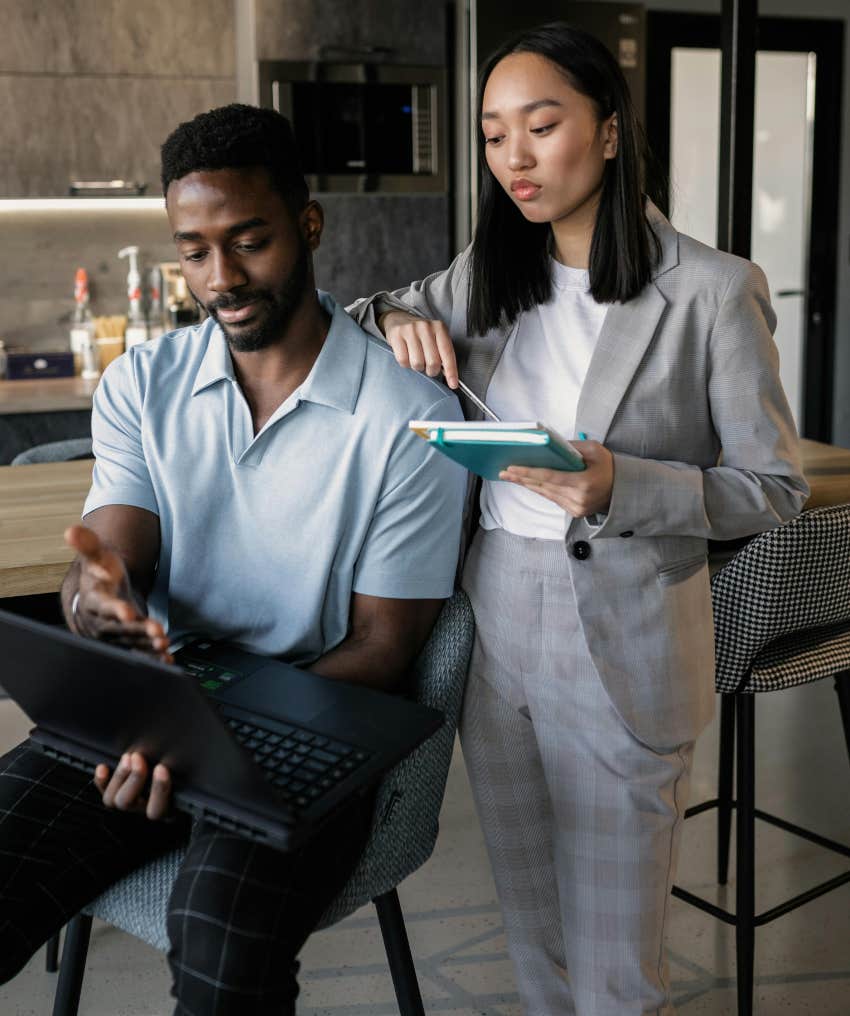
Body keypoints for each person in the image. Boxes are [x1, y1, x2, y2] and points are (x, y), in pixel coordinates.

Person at [348, 22, 809, 1016]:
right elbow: (356, 319)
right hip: (496, 615)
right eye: (491, 133)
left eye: (540, 125)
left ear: (605, 131)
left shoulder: (712, 290)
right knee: (534, 934)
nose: (514, 156)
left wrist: (619, 486)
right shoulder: (485, 275)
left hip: (627, 624)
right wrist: (392, 316)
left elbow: (772, 486)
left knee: (614, 963)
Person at [0, 104, 465, 1014]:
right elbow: (117, 552)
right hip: (157, 710)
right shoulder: (145, 380)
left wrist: (204, 738)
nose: (223, 278)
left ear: (308, 224)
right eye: (195, 250)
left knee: (220, 951)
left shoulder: (412, 417)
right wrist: (93, 596)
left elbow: (382, 648)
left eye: (248, 241)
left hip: (319, 723)